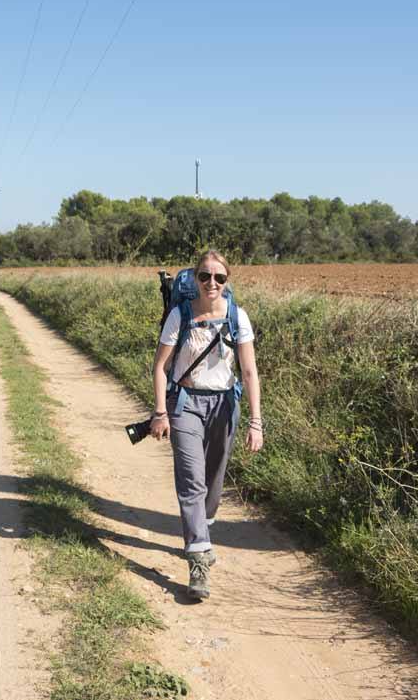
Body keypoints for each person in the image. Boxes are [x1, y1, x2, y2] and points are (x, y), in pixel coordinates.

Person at [149, 250, 262, 600]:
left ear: (227, 281)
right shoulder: (179, 316)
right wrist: (160, 412)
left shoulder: (236, 317)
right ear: (195, 279)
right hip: (184, 404)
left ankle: (204, 528)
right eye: (205, 276)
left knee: (214, 483)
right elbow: (159, 368)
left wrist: (256, 421)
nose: (211, 283)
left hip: (225, 406)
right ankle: (198, 558)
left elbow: (249, 372)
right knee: (191, 482)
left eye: (219, 278)